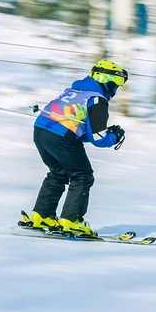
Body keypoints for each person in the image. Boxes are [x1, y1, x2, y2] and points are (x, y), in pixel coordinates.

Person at [29, 59, 128, 237]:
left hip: (41, 131)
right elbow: (98, 138)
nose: (115, 89)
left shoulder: (76, 91)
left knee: (58, 173)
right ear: (107, 81)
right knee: (82, 175)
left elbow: (82, 132)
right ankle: (71, 220)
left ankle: (41, 216)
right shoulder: (97, 99)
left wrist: (103, 134)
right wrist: (114, 137)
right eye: (116, 84)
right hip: (60, 135)